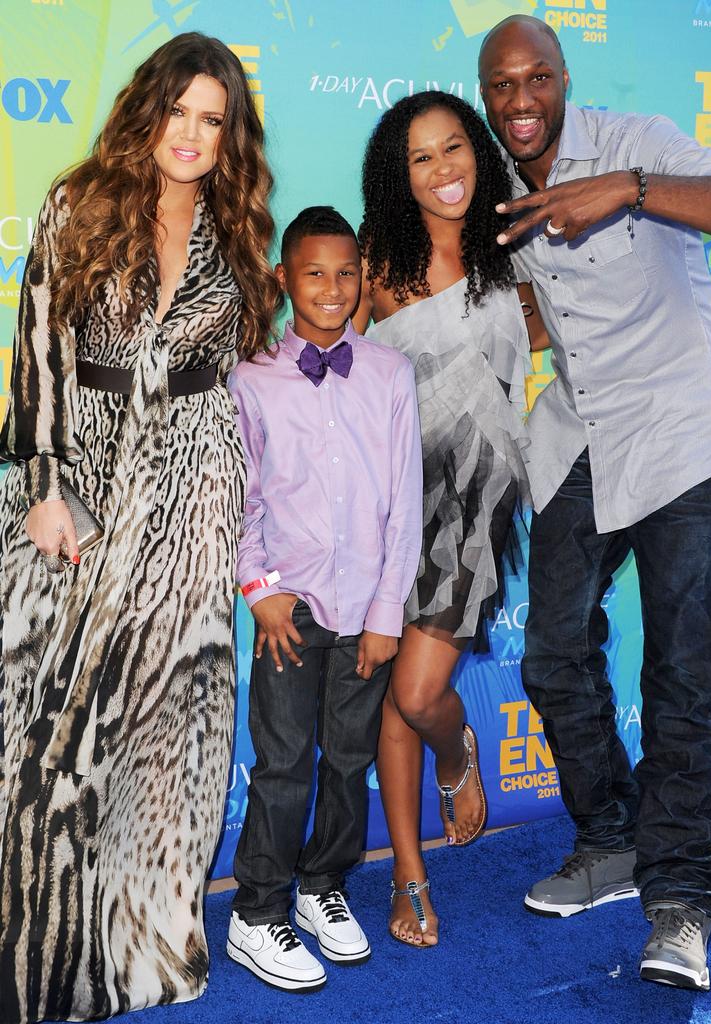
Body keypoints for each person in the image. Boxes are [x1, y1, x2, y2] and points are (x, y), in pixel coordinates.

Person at [479, 14, 711, 991]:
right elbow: (536, 306)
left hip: (679, 418)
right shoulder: (490, 182)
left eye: (535, 79)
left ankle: (681, 894)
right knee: (554, 649)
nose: (519, 99)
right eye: (501, 84)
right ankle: (611, 839)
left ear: (562, 79)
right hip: (583, 425)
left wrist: (631, 191)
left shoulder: (633, 141)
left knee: (685, 672)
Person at [0, 32, 281, 1022]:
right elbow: (37, 345)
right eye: (181, 113)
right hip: (77, 485)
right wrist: (43, 482)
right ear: (148, 110)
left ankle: (147, 950)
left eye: (214, 120)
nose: (193, 136)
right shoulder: (79, 203)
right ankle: (38, 960)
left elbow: (256, 360)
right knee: (46, 735)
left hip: (193, 492)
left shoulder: (234, 224)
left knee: (169, 733)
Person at [355, 91, 546, 947]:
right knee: (401, 697)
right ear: (400, 176)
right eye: (422, 158)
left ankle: (457, 749)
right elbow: (324, 370)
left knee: (419, 692)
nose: (444, 170)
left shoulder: (513, 249)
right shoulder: (373, 264)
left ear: (479, 152)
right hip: (395, 503)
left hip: (478, 506)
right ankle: (409, 873)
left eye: (455, 148)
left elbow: (554, 342)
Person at [226, 206, 422, 992]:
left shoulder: (390, 374)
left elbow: (404, 504)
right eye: (314, 273)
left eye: (347, 274)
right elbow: (236, 499)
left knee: (348, 759)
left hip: (365, 602)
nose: (332, 289)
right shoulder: (251, 376)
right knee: (284, 764)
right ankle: (257, 909)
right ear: (284, 278)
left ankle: (322, 888)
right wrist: (259, 591)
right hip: (291, 603)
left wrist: (386, 616)